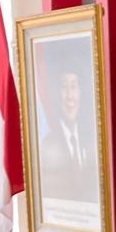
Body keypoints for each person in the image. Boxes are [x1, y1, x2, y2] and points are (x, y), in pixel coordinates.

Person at [38, 66, 98, 203]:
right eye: (64, 87)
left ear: (80, 93)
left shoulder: (92, 139)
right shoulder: (47, 145)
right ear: (56, 94)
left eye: (74, 86)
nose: (70, 96)